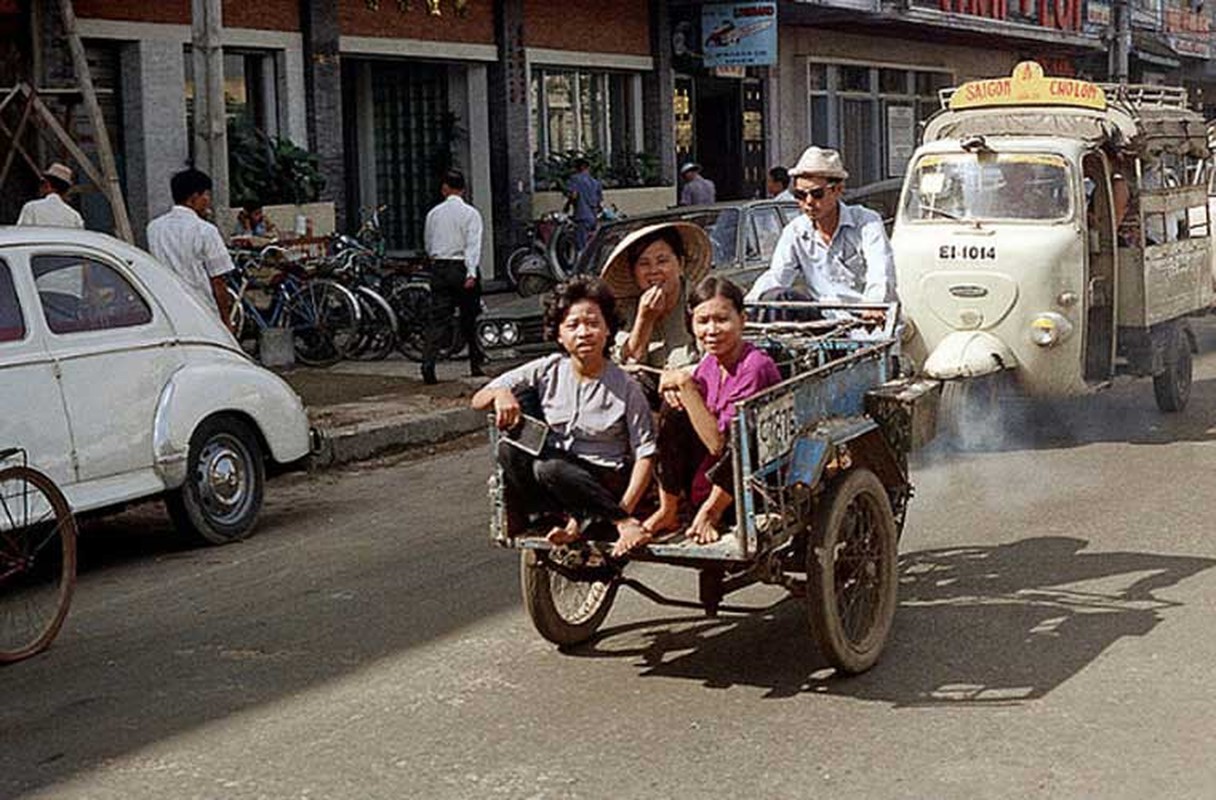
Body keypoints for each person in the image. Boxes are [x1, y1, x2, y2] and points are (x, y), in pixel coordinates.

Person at [471, 276, 656, 557]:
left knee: (550, 468)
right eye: (573, 325)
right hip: (557, 481)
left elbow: (645, 455)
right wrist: (500, 394)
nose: (584, 333)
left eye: (593, 323)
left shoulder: (626, 386)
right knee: (509, 449)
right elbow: (478, 399)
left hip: (604, 479)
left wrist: (625, 510)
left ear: (608, 330)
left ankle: (621, 522)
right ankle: (558, 517)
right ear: (559, 334)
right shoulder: (548, 369)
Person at [644, 276, 781, 543]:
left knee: (744, 430)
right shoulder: (708, 363)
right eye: (703, 321)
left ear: (742, 319)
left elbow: (720, 445)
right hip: (708, 473)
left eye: (722, 319)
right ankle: (668, 509)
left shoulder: (755, 366)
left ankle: (710, 513)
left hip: (750, 481)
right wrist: (679, 391)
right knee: (672, 411)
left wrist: (683, 384)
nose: (712, 330)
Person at [746, 146, 896, 322]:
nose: (808, 202)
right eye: (800, 195)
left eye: (817, 194)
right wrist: (745, 307)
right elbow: (777, 276)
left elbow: (881, 270)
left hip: (866, 321)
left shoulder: (866, 222)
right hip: (822, 321)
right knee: (778, 298)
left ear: (837, 190)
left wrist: (875, 304)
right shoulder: (795, 231)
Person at [599, 221, 711, 375]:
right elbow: (627, 363)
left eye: (662, 261)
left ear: (681, 264)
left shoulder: (700, 302)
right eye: (644, 264)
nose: (653, 270)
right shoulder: (625, 310)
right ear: (634, 272)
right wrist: (645, 319)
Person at [146, 167, 235, 331]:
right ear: (194, 197)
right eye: (206, 195)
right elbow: (218, 281)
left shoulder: (154, 228)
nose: (208, 200)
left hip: (167, 308)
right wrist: (226, 320)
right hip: (201, 309)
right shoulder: (205, 230)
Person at [423, 169, 485, 384]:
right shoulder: (471, 214)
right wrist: (470, 272)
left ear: (445, 188)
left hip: (440, 267)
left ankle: (428, 364)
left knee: (437, 319)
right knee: (470, 317)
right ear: (464, 189)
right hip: (461, 268)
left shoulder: (433, 214)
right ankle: (476, 363)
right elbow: (472, 246)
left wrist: (436, 261)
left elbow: (429, 244)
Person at [16, 163, 84, 229]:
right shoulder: (74, 216)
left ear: (47, 184)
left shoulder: (31, 208)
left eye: (42, 183)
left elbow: (22, 234)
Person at [565, 157, 603, 254]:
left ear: (580, 167)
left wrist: (567, 205)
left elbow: (573, 195)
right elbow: (599, 201)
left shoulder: (575, 179)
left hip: (582, 215)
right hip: (593, 217)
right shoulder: (595, 182)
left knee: (581, 246)